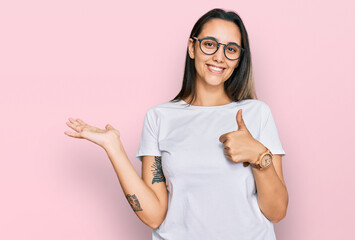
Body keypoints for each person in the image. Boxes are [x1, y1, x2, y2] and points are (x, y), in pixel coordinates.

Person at [64, 8, 288, 240]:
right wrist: (113, 147)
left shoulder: (257, 113)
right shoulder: (159, 117)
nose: (219, 57)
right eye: (210, 44)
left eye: (230, 49)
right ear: (192, 47)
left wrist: (259, 155)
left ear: (239, 59)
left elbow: (277, 211)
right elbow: (154, 216)